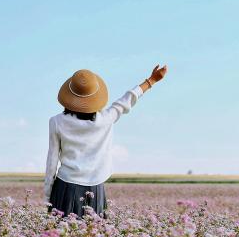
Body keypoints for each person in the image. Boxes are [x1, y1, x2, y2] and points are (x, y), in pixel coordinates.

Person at [44, 65, 168, 217]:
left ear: (69, 97)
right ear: (95, 98)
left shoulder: (56, 122)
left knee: (60, 236)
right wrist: (151, 80)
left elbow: (52, 161)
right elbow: (127, 100)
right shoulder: (106, 118)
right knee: (93, 236)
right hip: (95, 188)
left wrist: (48, 196)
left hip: (65, 186)